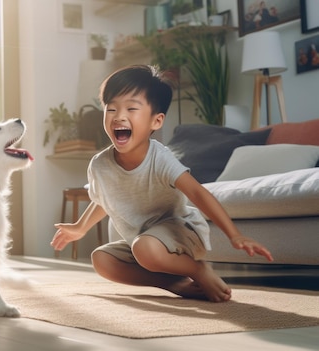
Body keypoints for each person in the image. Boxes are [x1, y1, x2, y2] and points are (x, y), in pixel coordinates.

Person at [50, 65, 273, 303]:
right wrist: (80, 227)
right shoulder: (99, 165)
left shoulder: (159, 157)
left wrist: (235, 235)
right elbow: (104, 200)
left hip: (179, 232)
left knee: (144, 248)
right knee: (101, 260)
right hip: (143, 242)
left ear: (156, 121)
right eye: (111, 108)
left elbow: (197, 192)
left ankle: (198, 270)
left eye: (131, 108)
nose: (119, 116)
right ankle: (175, 284)